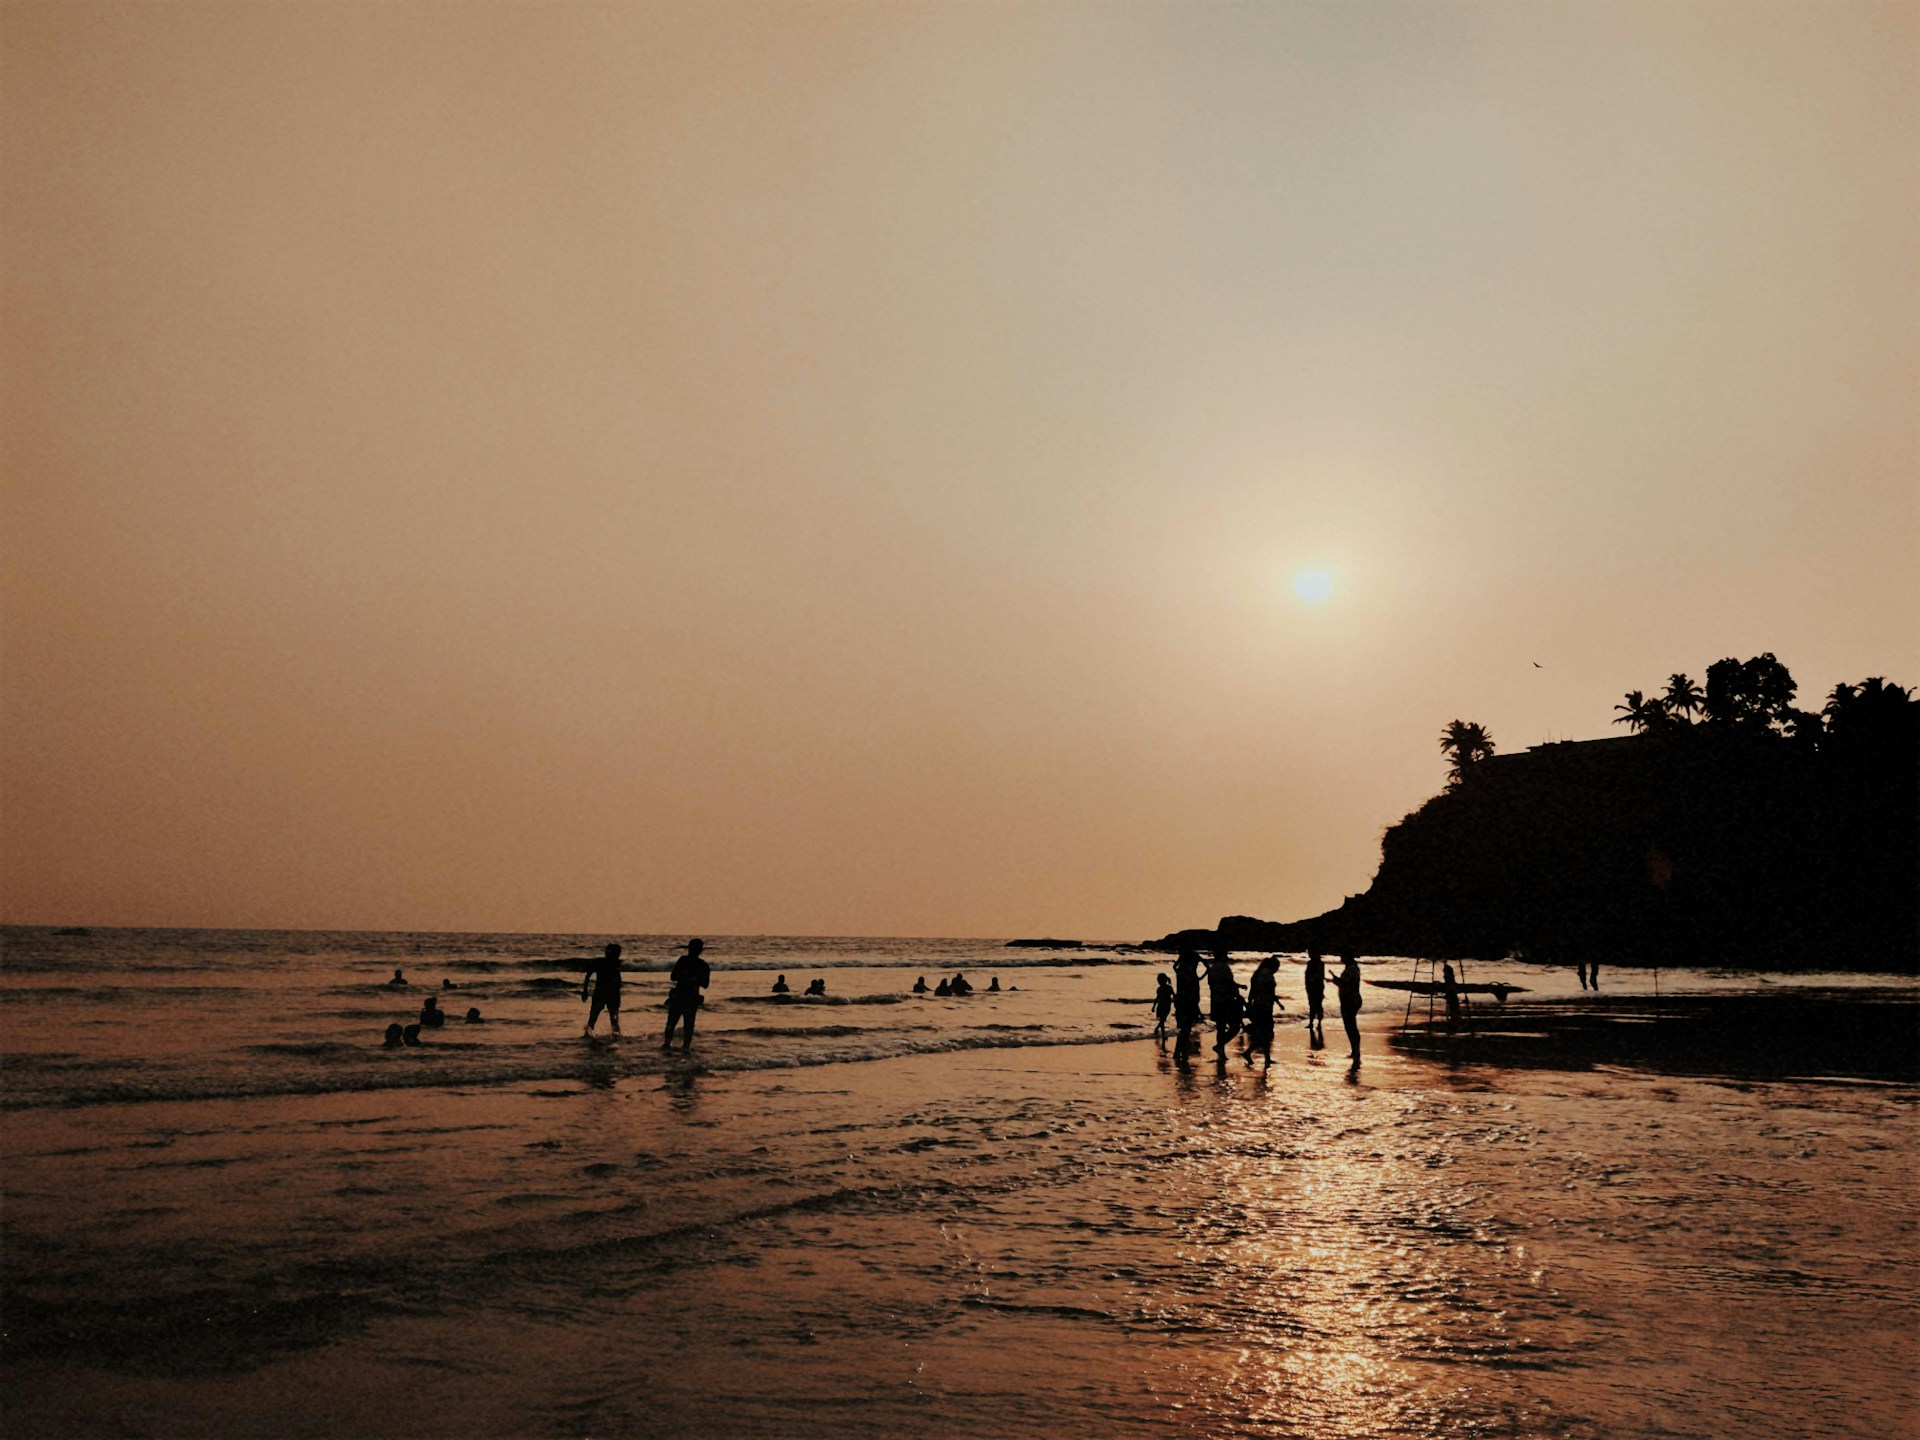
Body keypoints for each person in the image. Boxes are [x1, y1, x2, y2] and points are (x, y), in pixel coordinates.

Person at [664, 939, 709, 1050]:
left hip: (686, 996)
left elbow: (705, 983)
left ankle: (680, 1046)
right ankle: (676, 1046)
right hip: (683, 996)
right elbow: (673, 976)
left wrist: (693, 978)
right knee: (677, 1023)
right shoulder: (696, 963)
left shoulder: (698, 964)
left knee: (681, 1024)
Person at [576, 943, 624, 1038]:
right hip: (602, 993)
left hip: (610, 993)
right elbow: (588, 974)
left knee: (613, 1018)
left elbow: (618, 979)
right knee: (594, 1017)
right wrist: (585, 990)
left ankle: (615, 1036)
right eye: (616, 953)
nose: (618, 955)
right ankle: (589, 1035)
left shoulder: (615, 963)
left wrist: (585, 990)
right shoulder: (601, 962)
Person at [1243, 956, 1281, 1068]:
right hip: (1264, 1007)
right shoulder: (1267, 974)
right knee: (1266, 1033)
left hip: (1260, 1006)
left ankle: (1265, 1058)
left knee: (1264, 1033)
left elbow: (1253, 992)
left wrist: (1249, 1005)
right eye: (1277, 967)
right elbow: (1269, 991)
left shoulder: (1259, 974)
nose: (1277, 969)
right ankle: (1252, 1054)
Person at [1206, 950, 1244, 1056]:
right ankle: (1220, 1046)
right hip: (1226, 1000)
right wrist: (1238, 988)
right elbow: (1228, 982)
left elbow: (1214, 983)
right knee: (1235, 1026)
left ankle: (1221, 1052)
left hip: (1215, 1000)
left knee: (1221, 1027)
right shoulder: (1223, 967)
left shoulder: (1212, 968)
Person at [1332, 952, 1364, 1062]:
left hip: (1350, 1001)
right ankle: (1355, 1051)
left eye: (1342, 955)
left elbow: (1345, 984)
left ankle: (1356, 1051)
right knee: (1351, 1026)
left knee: (1350, 1026)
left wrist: (1335, 980)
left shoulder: (1351, 969)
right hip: (1352, 1000)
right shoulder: (1353, 968)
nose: (1340, 957)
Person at [1173, 950, 1203, 1055]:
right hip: (1187, 1000)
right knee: (1186, 1027)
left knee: (1186, 1027)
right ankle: (1178, 1052)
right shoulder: (1186, 969)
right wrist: (1199, 978)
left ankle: (1180, 1052)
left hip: (1184, 1000)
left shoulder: (1182, 968)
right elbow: (1188, 986)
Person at [1151, 973, 1175, 1041]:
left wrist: (1176, 1002)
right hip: (1161, 1006)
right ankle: (1163, 1035)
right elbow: (1157, 998)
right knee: (1162, 1020)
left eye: (1159, 981)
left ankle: (1157, 1029)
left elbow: (1174, 996)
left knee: (1163, 1020)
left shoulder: (1169, 988)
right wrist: (1153, 1007)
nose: (1159, 982)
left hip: (1167, 1006)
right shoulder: (1160, 989)